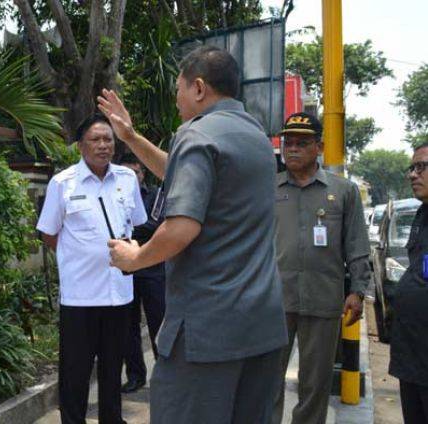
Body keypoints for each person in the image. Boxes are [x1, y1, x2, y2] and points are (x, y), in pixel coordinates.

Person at [98, 45, 288, 424]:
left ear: (199, 88)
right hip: (262, 328)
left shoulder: (196, 134)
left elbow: (181, 227)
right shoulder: (255, 138)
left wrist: (134, 258)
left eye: (179, 89)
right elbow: (183, 174)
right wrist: (132, 138)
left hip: (206, 332)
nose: (177, 99)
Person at [36, 114, 147, 424]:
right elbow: (49, 233)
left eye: (108, 139)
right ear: (81, 146)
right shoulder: (63, 183)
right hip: (80, 297)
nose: (103, 145)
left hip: (119, 294)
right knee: (75, 371)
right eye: (96, 140)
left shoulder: (126, 179)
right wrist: (78, 257)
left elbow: (136, 225)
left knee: (112, 369)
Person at [271, 112, 370, 424]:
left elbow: (356, 243)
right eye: (288, 143)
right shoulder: (269, 189)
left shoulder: (343, 191)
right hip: (274, 301)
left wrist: (357, 290)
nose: (293, 149)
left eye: (302, 143)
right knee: (267, 380)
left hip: (323, 299)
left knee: (315, 384)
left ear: (320, 147)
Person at [118, 154, 165, 394]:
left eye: (134, 173)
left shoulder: (156, 195)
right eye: (125, 173)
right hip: (127, 271)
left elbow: (156, 225)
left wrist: (125, 230)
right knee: (129, 326)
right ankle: (136, 376)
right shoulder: (116, 196)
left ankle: (164, 377)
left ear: (142, 174)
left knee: (159, 323)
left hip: (154, 270)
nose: (130, 178)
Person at [389, 142, 428, 423]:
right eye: (412, 167)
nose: (413, 175)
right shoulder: (422, 214)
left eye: (422, 167)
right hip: (412, 355)